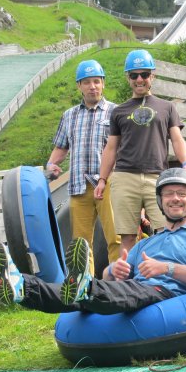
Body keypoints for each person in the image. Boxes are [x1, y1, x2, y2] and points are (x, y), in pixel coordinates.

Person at [0, 169, 186, 315]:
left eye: (181, 193)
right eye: (169, 194)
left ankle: (83, 288)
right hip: (131, 289)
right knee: (77, 297)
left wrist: (166, 268)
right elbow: (110, 277)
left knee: (123, 290)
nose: (175, 199)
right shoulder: (145, 244)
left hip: (165, 294)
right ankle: (21, 287)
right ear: (160, 201)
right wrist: (114, 270)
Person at [94, 49, 186, 255]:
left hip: (157, 177)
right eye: (134, 75)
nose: (139, 79)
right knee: (126, 236)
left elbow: (177, 138)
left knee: (165, 230)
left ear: (153, 76)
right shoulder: (119, 111)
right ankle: (128, 284)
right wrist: (102, 179)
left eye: (144, 74)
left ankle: (164, 280)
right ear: (128, 78)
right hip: (125, 177)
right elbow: (111, 147)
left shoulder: (167, 107)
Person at [45, 59, 120, 278]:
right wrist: (52, 164)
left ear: (103, 83)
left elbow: (123, 148)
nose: (92, 86)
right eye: (86, 82)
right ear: (79, 86)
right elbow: (61, 147)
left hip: (108, 184)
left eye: (96, 81)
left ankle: (120, 283)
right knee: (80, 242)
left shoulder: (116, 112)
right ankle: (85, 286)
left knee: (115, 236)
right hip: (79, 186)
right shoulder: (69, 115)